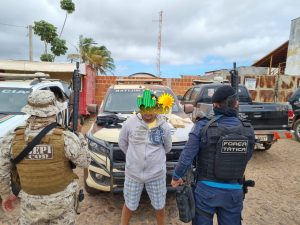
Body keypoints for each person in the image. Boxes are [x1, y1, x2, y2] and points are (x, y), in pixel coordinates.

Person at [0, 90, 91, 225]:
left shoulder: (11, 138)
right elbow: (85, 162)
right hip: (62, 205)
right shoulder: (67, 138)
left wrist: (6, 195)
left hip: (31, 206)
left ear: (30, 110)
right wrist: (79, 135)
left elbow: (2, 173)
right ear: (54, 110)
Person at [171, 85, 255, 225]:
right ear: (236, 104)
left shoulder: (202, 126)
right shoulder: (247, 129)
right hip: (234, 192)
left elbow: (187, 155)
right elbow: (247, 156)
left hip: (206, 192)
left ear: (214, 105)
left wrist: (176, 177)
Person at [118, 91, 173, 225]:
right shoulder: (130, 123)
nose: (148, 113)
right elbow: (122, 143)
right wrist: (134, 158)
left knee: (159, 206)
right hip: (133, 174)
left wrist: (154, 160)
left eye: (151, 109)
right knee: (129, 205)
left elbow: (167, 147)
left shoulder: (163, 126)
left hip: (156, 175)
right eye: (145, 109)